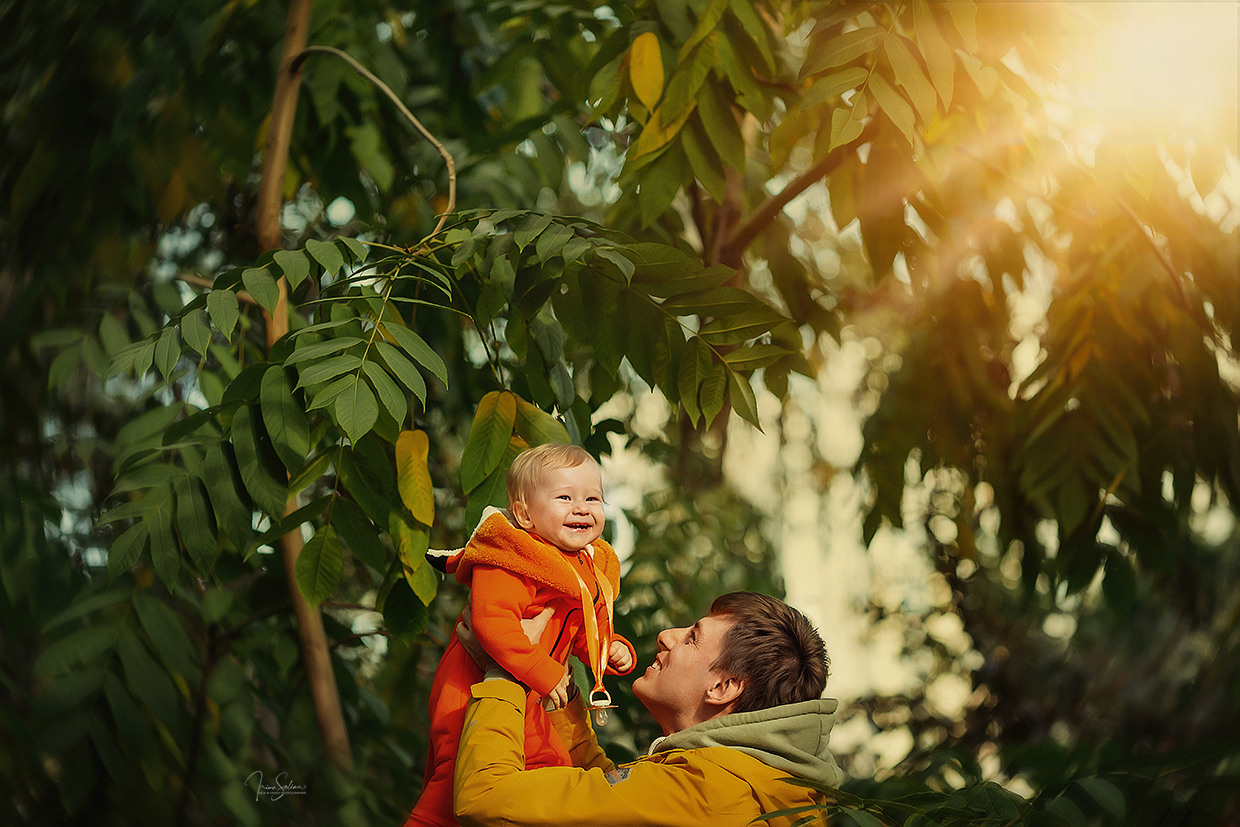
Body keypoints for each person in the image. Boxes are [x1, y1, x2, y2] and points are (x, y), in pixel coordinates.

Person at [451, 591, 844, 827]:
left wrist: (506, 672)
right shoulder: (751, 783)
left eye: (692, 638)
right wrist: (565, 700)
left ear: (723, 687)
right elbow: (614, 798)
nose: (666, 636)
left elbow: (484, 798)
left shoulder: (707, 793)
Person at [405, 443, 637, 827]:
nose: (582, 508)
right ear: (525, 514)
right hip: (472, 688)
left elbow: (585, 629)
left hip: (528, 693)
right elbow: (491, 623)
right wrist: (545, 673)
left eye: (593, 498)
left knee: (549, 768)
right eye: (565, 497)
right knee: (454, 780)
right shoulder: (512, 557)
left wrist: (608, 649)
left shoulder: (588, 565)